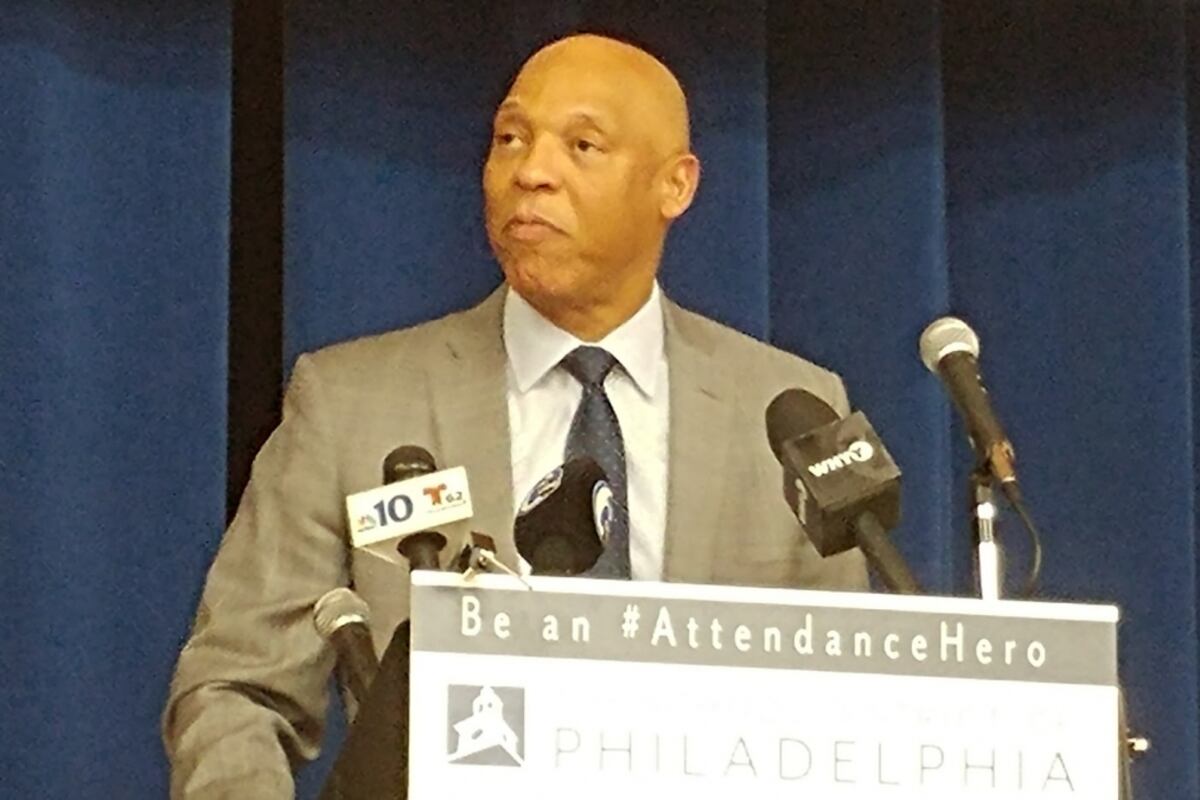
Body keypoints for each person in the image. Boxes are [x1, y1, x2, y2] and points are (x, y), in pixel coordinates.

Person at [163, 33, 867, 799]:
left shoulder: (786, 411)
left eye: (583, 145)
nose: (531, 172)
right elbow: (235, 689)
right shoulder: (353, 402)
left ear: (675, 185)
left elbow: (847, 710)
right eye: (510, 139)